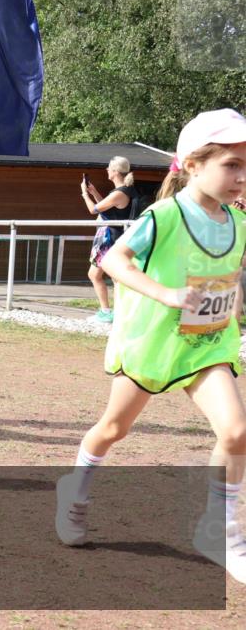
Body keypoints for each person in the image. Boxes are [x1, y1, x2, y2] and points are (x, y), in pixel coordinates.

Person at [55, 109, 246, 582]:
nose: (241, 177)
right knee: (113, 429)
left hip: (208, 345)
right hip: (153, 343)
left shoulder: (238, 221)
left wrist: (233, 316)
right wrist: (167, 294)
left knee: (238, 433)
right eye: (232, 164)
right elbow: (113, 259)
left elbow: (232, 277)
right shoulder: (164, 214)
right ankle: (74, 491)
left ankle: (220, 528)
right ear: (194, 164)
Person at [82, 156, 137, 324]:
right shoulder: (122, 192)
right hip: (114, 236)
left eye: (108, 168)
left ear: (114, 171)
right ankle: (114, 312)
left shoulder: (120, 193)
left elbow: (93, 210)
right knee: (111, 276)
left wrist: (84, 194)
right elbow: (106, 211)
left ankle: (108, 312)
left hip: (110, 238)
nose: (106, 170)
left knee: (100, 275)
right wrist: (94, 192)